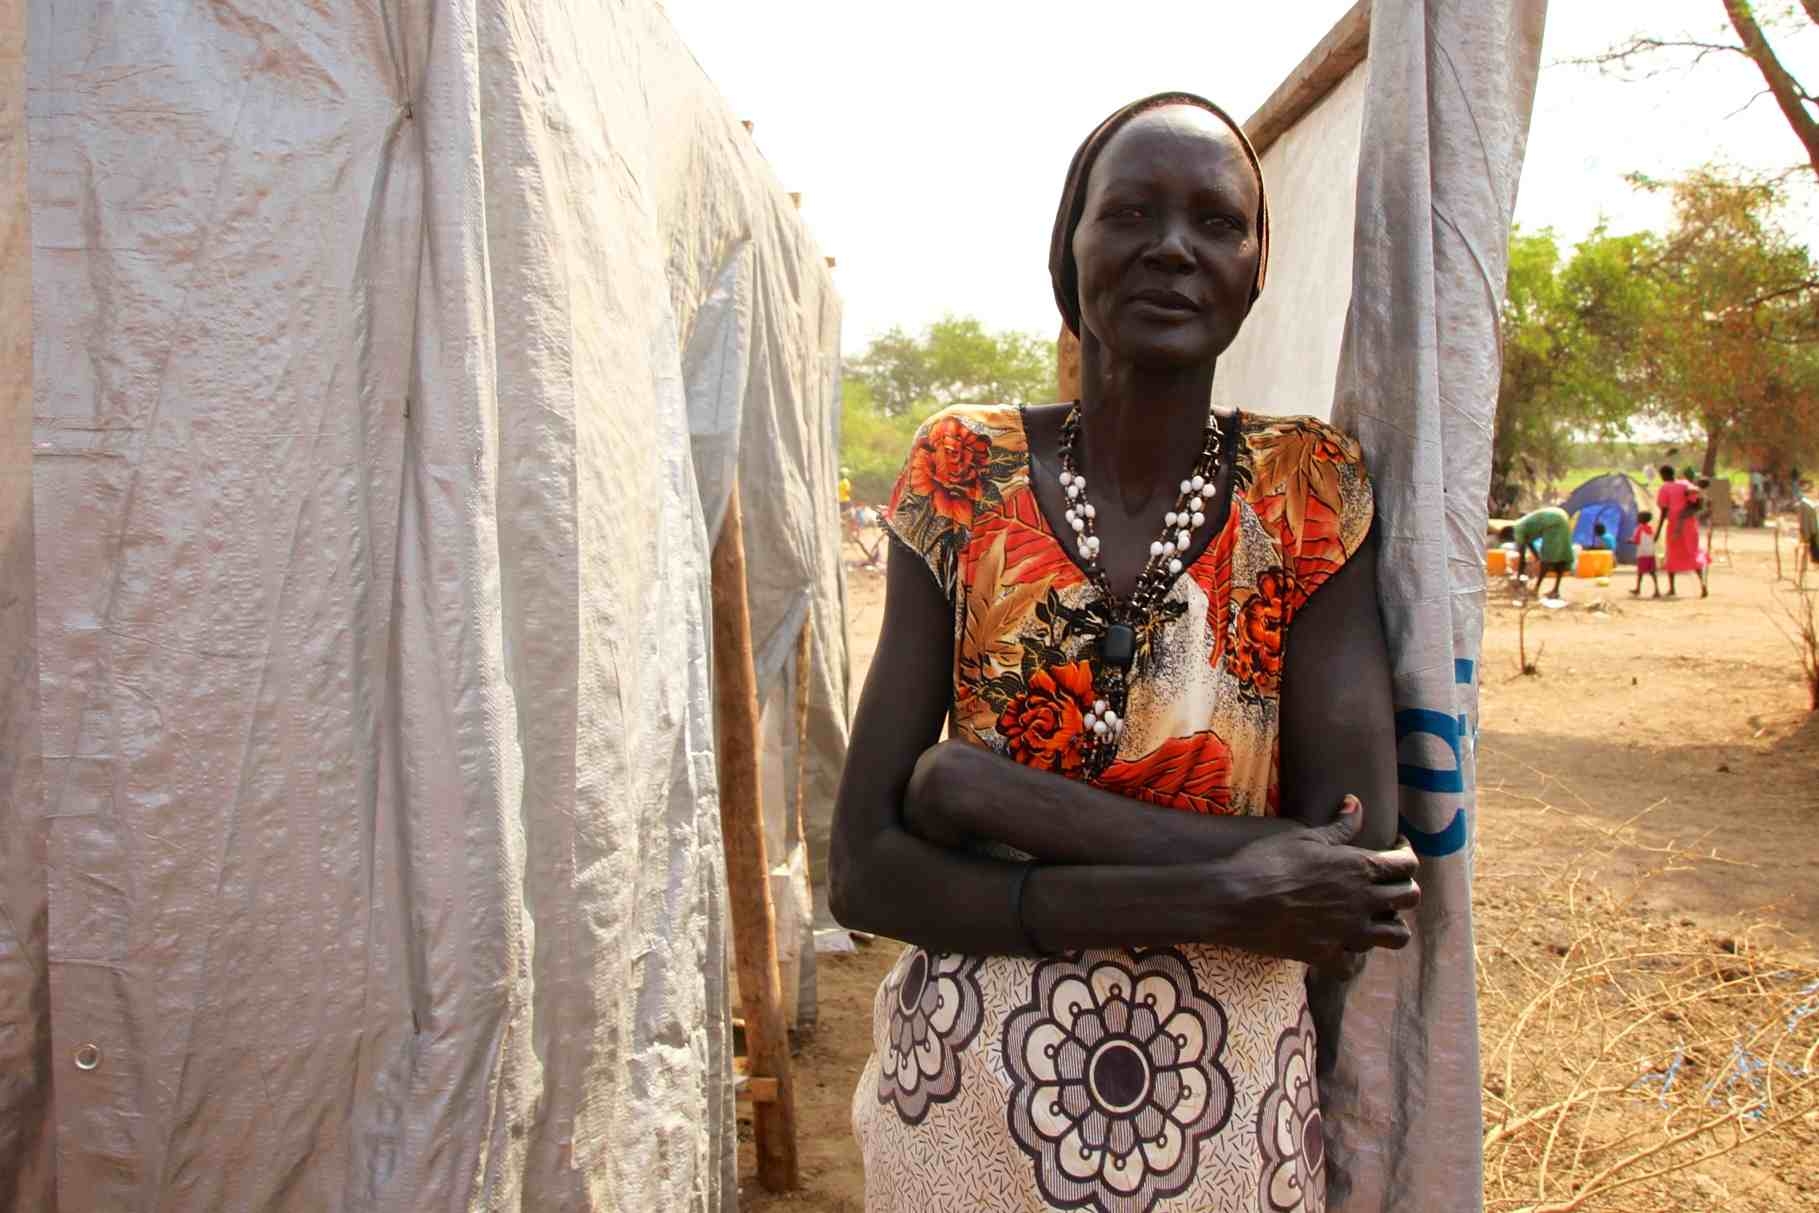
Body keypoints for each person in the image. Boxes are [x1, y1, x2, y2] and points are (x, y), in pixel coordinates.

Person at [830, 93, 1417, 1212]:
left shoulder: (1306, 490)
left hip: (1226, 1120)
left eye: (1217, 222)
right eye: (1132, 212)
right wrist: (1228, 888)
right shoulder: (963, 469)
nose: (1172, 247)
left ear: (1255, 272)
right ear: (1071, 246)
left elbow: (1351, 871)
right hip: (964, 1107)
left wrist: (983, 793)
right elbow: (864, 869)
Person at [1499, 505, 1573, 601]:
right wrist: (1537, 557)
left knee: (1547, 558)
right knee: (1562, 555)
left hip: (1553, 522)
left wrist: (1519, 577)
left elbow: (1522, 557)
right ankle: (1555, 590)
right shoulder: (1522, 524)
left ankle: (1536, 589)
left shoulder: (1517, 530)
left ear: (1510, 535)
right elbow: (1529, 543)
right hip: (1562, 516)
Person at [1655, 464, 1705, 598]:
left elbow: (1664, 510)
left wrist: (1658, 531)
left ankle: (1672, 588)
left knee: (1672, 554)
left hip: (1674, 524)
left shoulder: (1664, 488)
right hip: (1689, 524)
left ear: (1663, 475)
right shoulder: (1684, 483)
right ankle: (1702, 585)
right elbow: (1695, 499)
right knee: (1693, 552)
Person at [1630, 509, 1660, 597]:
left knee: (1640, 573)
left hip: (1642, 553)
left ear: (1640, 519)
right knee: (1653, 572)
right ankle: (1657, 590)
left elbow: (1636, 540)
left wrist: (1629, 541)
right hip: (1651, 553)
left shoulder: (1639, 529)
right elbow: (1653, 539)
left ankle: (1638, 589)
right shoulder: (1650, 528)